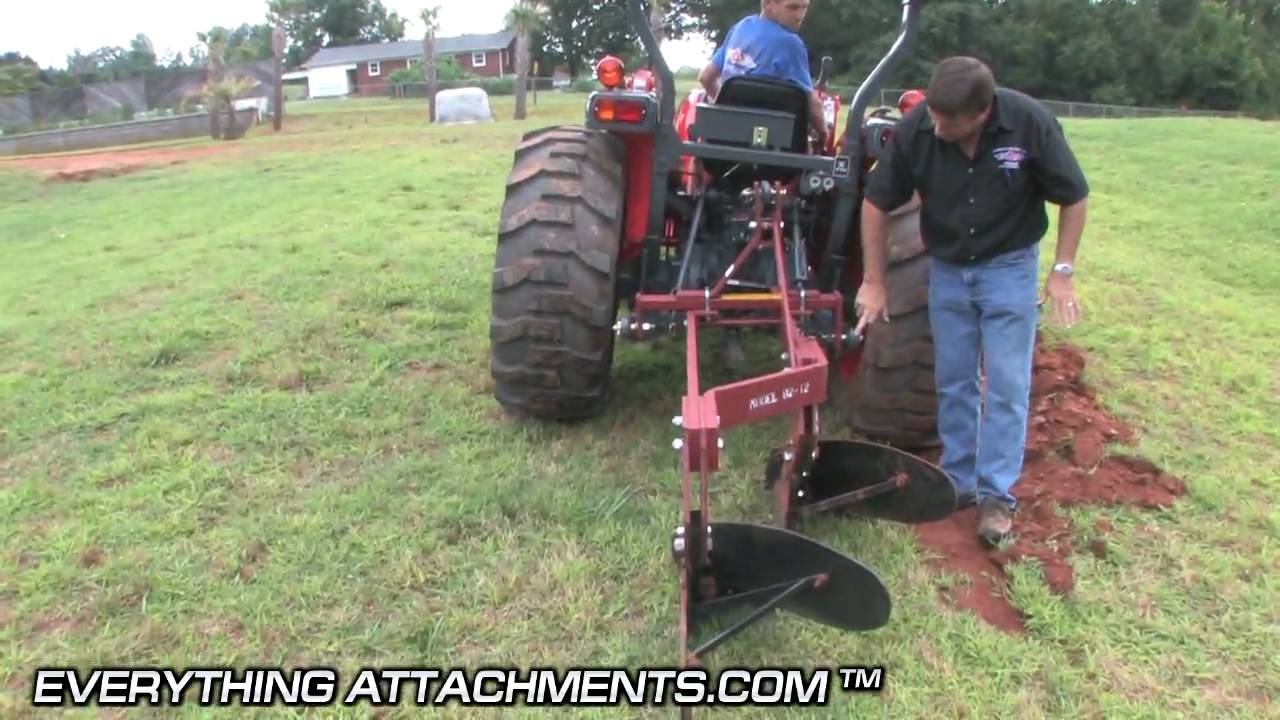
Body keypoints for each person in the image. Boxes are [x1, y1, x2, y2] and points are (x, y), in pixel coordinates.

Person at [854, 57, 1090, 545]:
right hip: (947, 269)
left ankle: (997, 494)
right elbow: (876, 202)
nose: (935, 125)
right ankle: (957, 480)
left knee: (1005, 384)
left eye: (946, 120)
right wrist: (874, 281)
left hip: (1009, 269)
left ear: (980, 114)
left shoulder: (1028, 123)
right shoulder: (920, 127)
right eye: (933, 114)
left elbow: (1074, 195)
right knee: (953, 379)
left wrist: (1062, 271)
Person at [698, 0, 827, 148]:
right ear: (767, 4)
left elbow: (705, 77)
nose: (800, 16)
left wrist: (724, 109)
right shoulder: (790, 44)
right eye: (793, 8)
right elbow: (813, 106)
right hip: (772, 147)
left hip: (724, 142)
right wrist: (823, 133)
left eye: (805, 7)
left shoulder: (740, 28)